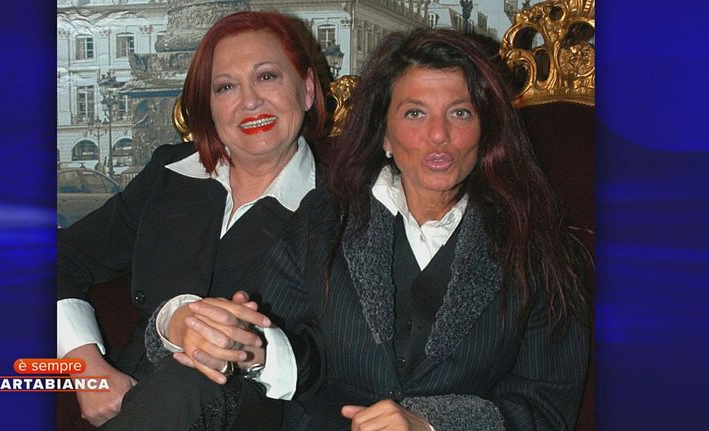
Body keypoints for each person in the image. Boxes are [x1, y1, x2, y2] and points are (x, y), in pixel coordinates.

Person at [157, 27, 591, 430]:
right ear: (384, 134)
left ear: (486, 129)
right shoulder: (324, 219)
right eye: (415, 113)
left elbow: (545, 410)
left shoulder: (541, 251)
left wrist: (431, 424)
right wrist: (258, 350)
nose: (438, 135)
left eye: (460, 112)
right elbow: (293, 342)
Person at [56, 11, 326, 427]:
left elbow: (351, 352)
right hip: (136, 404)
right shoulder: (170, 176)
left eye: (267, 76)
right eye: (226, 87)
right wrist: (86, 368)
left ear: (306, 90)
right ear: (209, 107)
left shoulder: (347, 201)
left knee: (192, 379)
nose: (249, 101)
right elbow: (59, 258)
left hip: (260, 412)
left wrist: (255, 350)